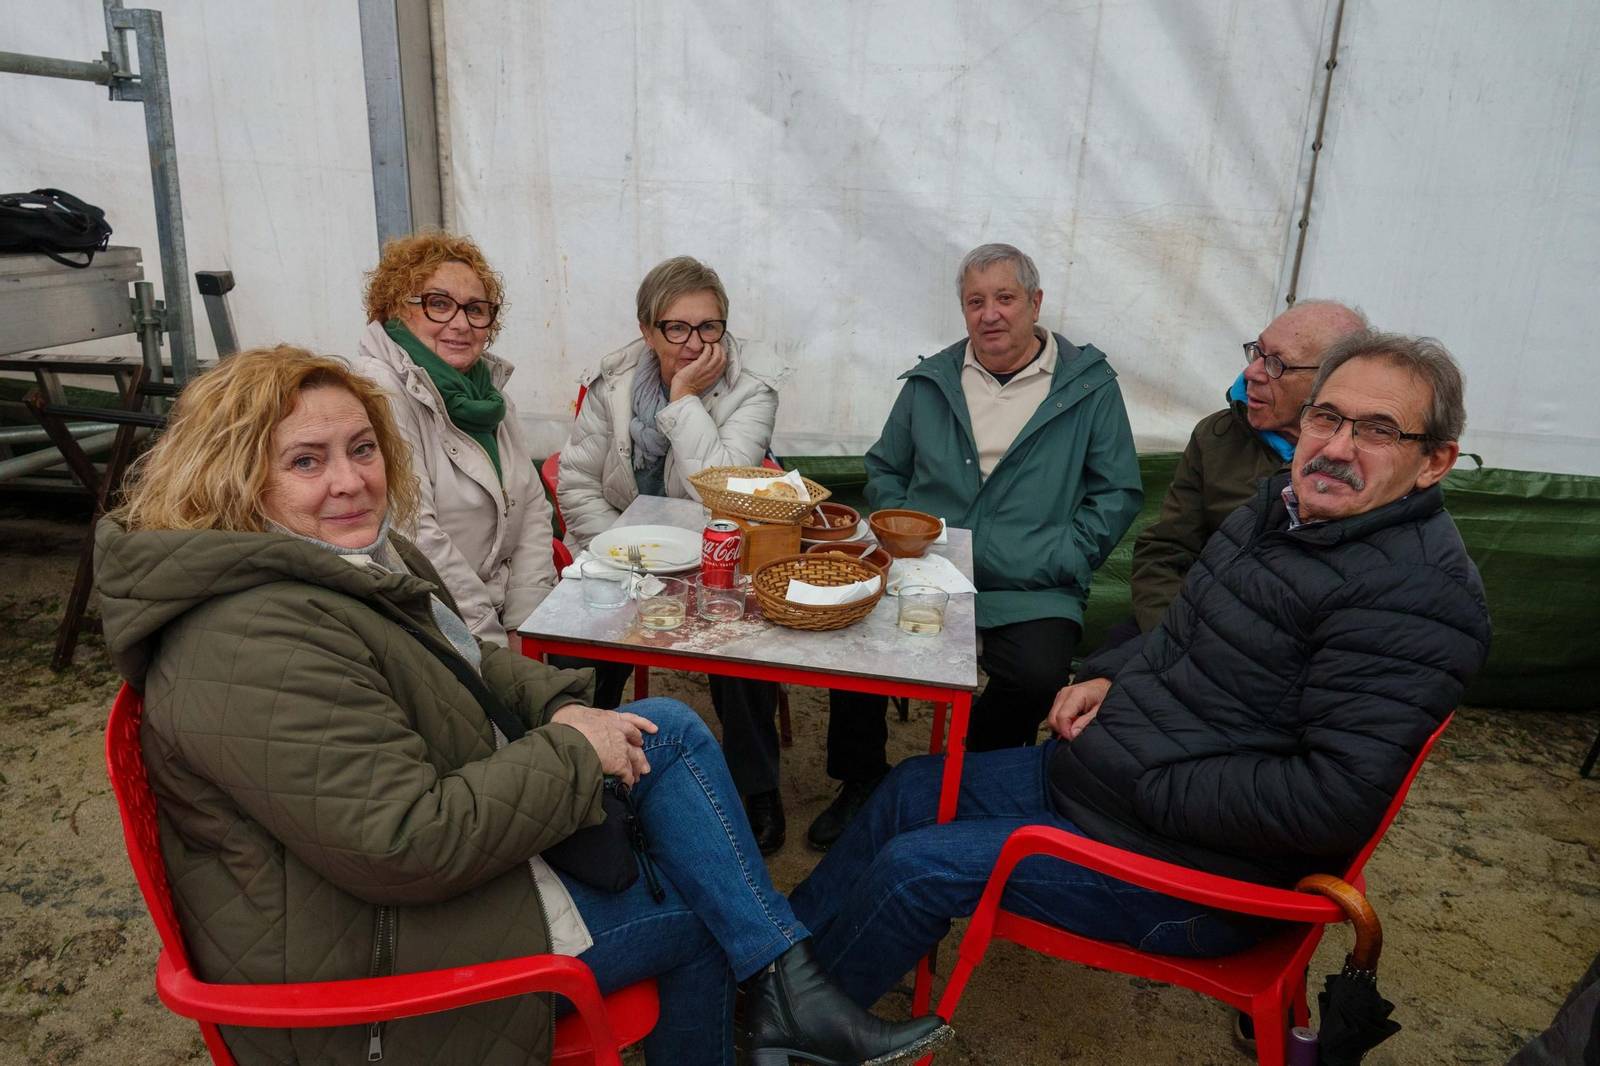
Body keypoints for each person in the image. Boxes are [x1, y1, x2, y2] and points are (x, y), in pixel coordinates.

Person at [94, 347, 950, 1066]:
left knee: (672, 728)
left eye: (362, 448)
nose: (352, 481)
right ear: (233, 476)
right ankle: (776, 988)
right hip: (370, 966)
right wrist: (576, 752)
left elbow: (468, 668)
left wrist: (565, 708)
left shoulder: (337, 564)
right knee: (700, 915)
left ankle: (782, 985)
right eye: (306, 461)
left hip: (388, 885)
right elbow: (406, 843)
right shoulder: (251, 639)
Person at [788, 330, 1492, 1011]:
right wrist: (1110, 673)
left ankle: (795, 1026)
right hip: (1108, 784)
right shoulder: (1276, 509)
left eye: (1376, 431)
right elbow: (1185, 623)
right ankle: (777, 962)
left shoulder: (1417, 596)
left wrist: (1147, 779)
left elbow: (1327, 802)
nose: (1336, 447)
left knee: (918, 867)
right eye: (1327, 418)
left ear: (1434, 462)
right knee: (912, 788)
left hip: (1192, 876)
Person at [811, 243, 1142, 850]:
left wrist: (1067, 553)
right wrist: (902, 530)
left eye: (1005, 298)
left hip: (1034, 580)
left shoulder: (1089, 388)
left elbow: (1117, 492)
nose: (990, 314)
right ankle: (861, 781)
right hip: (927, 567)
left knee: (1036, 672)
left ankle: (970, 775)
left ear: (1036, 303)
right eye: (975, 301)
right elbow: (885, 468)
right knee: (856, 643)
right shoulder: (932, 380)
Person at [557, 256, 795, 853]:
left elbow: (721, 490)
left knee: (738, 650)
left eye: (709, 327)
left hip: (721, 555)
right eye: (677, 328)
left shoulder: (752, 393)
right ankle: (589, 774)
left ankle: (756, 789)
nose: (695, 342)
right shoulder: (611, 387)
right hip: (629, 556)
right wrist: (618, 557)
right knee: (585, 644)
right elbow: (578, 483)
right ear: (647, 330)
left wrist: (684, 400)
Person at [346, 230, 554, 648]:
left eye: (476, 309)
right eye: (438, 304)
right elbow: (415, 537)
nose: (461, 323)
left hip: (499, 610)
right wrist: (494, 646)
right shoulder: (379, 392)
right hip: (428, 620)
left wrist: (527, 627)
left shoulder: (491, 397)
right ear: (394, 310)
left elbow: (532, 510)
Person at [1118, 300, 1367, 641]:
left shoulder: (1365, 463)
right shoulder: (1217, 435)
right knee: (1096, 683)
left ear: (1332, 381)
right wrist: (1175, 638)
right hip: (1191, 623)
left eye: (1277, 363)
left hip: (1293, 646)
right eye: (1258, 352)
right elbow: (1165, 552)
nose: (1252, 372)